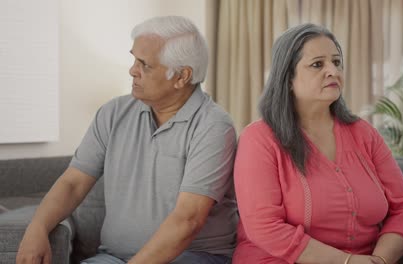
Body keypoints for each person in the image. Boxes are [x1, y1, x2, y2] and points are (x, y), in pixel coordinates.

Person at [16, 16, 238, 264]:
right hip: (114, 257)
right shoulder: (113, 113)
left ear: (181, 77)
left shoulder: (214, 126)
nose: (133, 70)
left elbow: (188, 219)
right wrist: (37, 227)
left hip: (193, 256)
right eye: (134, 59)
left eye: (145, 64)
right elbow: (73, 183)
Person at [233, 24, 403, 264]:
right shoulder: (259, 139)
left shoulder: (364, 134)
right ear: (288, 78)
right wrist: (347, 262)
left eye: (337, 62)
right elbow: (264, 226)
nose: (333, 71)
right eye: (317, 64)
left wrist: (379, 260)